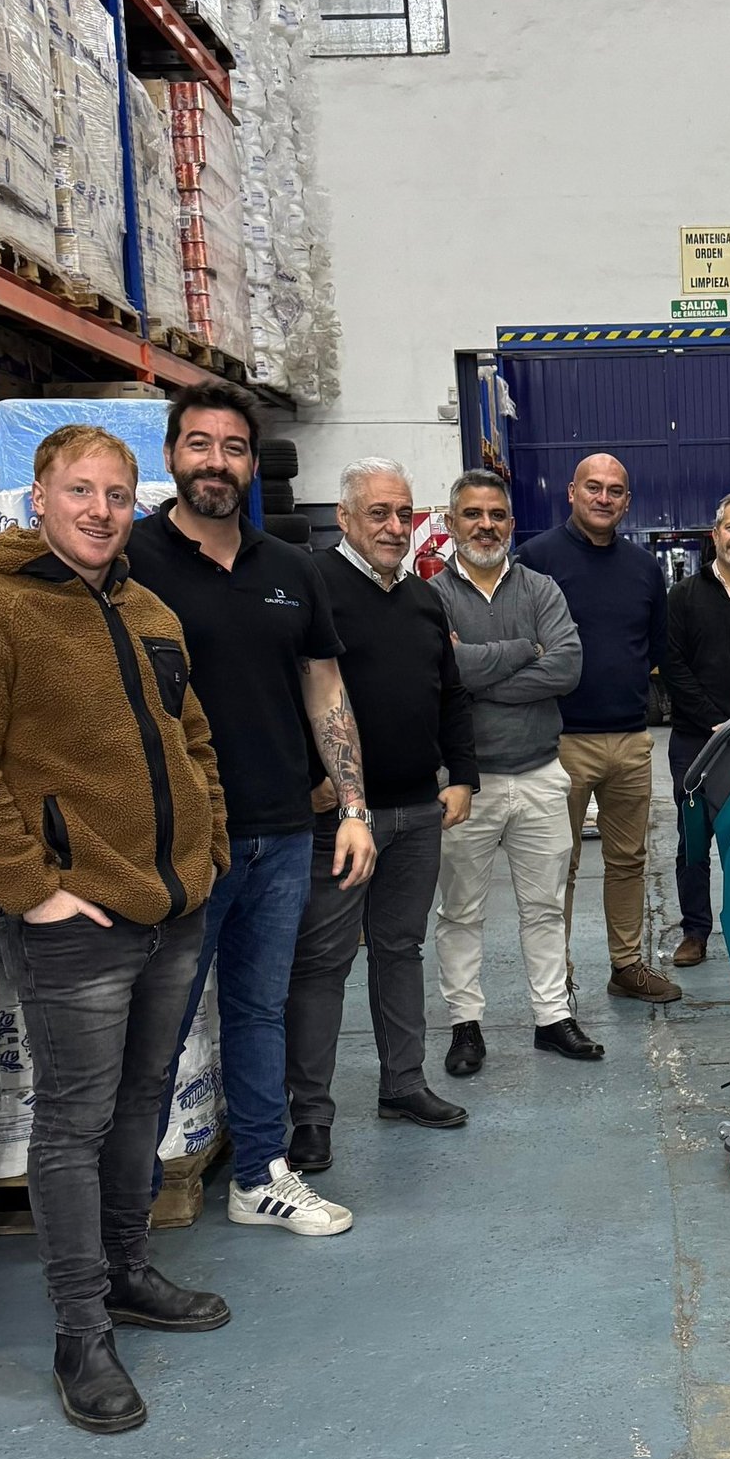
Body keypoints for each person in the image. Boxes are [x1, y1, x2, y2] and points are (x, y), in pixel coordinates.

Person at [0, 425, 229, 1436]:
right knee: (74, 1124)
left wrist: (208, 846)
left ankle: (129, 1270)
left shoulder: (147, 608)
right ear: (39, 499)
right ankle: (79, 1330)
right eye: (78, 489)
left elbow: (191, 734)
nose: (98, 509)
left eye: (115, 492)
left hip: (171, 905)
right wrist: (30, 887)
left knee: (141, 1101)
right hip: (77, 923)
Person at [127, 381, 376, 1239]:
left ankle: (262, 1174)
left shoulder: (290, 569)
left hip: (278, 831)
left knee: (259, 1008)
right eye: (200, 445)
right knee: (157, 1018)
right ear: (171, 456)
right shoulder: (129, 562)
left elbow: (325, 688)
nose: (217, 463)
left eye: (233, 448)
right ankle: (124, 1195)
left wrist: (353, 807)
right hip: (180, 840)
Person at [282, 460, 480, 1176]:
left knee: (400, 951)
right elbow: (289, 695)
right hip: (339, 823)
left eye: (404, 514)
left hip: (416, 813)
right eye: (379, 515)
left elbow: (451, 696)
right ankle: (309, 1115)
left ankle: (402, 1084)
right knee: (324, 965)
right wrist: (309, 783)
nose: (395, 528)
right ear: (345, 516)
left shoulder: (426, 601)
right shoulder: (315, 589)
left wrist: (462, 776)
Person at [433, 470, 605, 1070]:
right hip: (464, 783)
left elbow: (567, 669)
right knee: (460, 911)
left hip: (539, 773)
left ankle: (552, 1018)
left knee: (545, 905)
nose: (487, 525)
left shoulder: (541, 589)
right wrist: (520, 652)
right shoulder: (431, 596)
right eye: (473, 514)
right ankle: (465, 1026)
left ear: (512, 521)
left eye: (498, 514)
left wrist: (475, 678)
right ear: (452, 522)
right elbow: (438, 677)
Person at [519, 453, 681, 1004]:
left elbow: (654, 646)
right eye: (594, 487)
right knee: (557, 864)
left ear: (627, 502)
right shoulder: (535, 560)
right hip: (559, 740)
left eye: (615, 490)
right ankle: (555, 979)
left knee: (629, 860)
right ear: (571, 492)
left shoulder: (642, 569)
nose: (604, 498)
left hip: (632, 741)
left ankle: (626, 965)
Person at [661, 493, 730, 965]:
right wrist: (712, 718)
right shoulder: (684, 596)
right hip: (694, 741)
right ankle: (695, 932)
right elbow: (672, 664)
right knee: (693, 841)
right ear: (715, 534)